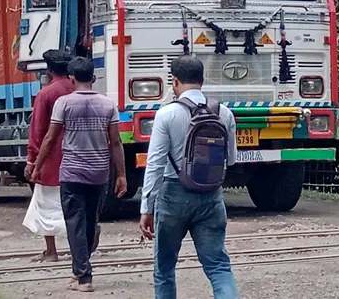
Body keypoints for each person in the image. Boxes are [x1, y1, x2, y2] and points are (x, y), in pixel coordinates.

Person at [139, 55, 239, 299]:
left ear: (174, 82)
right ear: (202, 80)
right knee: (218, 266)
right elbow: (232, 159)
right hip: (211, 195)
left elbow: (155, 165)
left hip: (173, 195)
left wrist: (146, 208)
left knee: (164, 268)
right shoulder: (223, 113)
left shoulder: (166, 114)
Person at [33, 57, 127, 292]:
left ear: (72, 79)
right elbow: (115, 142)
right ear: (94, 79)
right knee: (88, 221)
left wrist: (37, 165)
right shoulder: (107, 104)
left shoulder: (64, 103)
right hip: (99, 173)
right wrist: (121, 175)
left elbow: (50, 137)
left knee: (75, 223)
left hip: (72, 173)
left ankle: (84, 278)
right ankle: (79, 270)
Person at [23, 49, 74, 262]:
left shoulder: (46, 94)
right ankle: (80, 248)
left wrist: (31, 160)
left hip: (51, 159)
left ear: (49, 69)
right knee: (74, 206)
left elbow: (38, 130)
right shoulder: (77, 89)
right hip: (78, 159)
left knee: (45, 204)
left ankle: (51, 251)